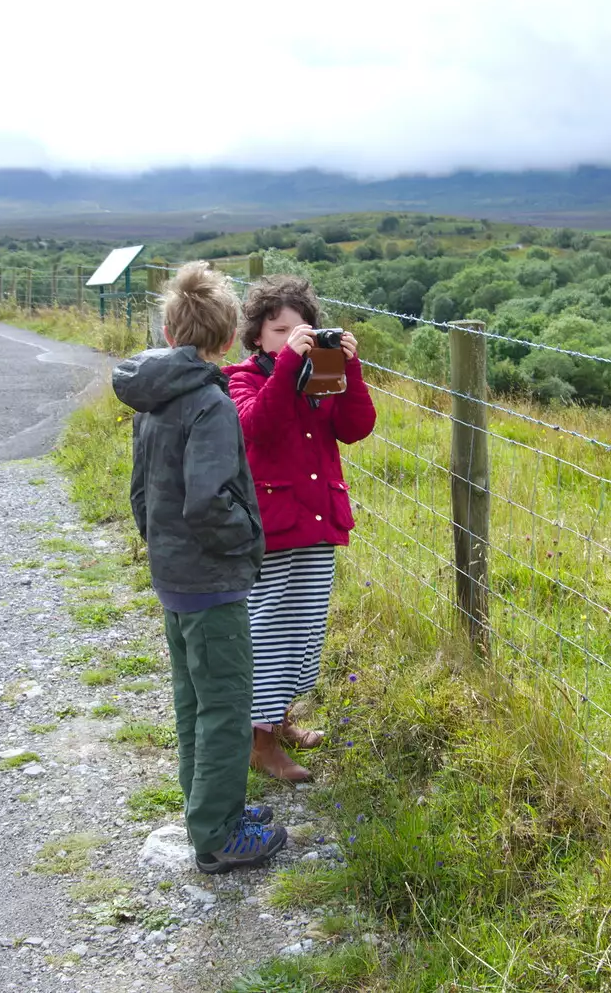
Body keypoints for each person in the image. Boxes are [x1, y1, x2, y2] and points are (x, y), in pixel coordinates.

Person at [111, 261, 287, 873]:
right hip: (211, 581)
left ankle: (207, 808)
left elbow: (140, 493)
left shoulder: (154, 395)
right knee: (226, 705)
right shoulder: (209, 404)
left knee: (194, 699)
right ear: (226, 336)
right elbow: (210, 498)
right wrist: (244, 545)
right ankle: (216, 835)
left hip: (173, 574)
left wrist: (163, 549)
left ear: (167, 332)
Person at [224, 275, 376, 782]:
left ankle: (279, 719)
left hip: (317, 519)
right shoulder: (241, 377)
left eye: (302, 328)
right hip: (272, 527)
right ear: (257, 336)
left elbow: (355, 429)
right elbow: (255, 426)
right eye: (279, 329)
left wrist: (350, 370)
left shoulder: (321, 374)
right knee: (269, 632)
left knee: (304, 631)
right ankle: (259, 743)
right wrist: (290, 362)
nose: (292, 336)